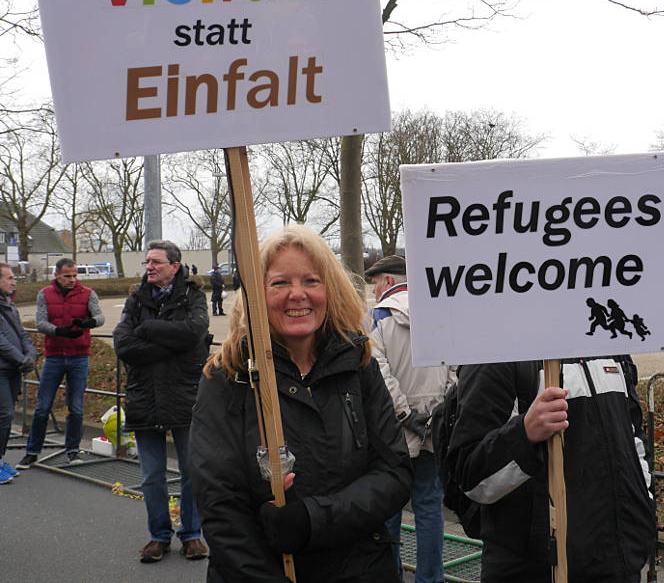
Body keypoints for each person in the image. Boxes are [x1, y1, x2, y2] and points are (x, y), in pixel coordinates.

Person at [190, 224, 412, 583]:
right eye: (280, 283)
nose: (298, 295)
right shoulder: (229, 377)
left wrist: (313, 518)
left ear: (331, 289)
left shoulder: (359, 364)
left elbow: (394, 473)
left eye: (311, 281)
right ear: (257, 294)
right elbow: (219, 505)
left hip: (363, 570)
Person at [449, 356, 655, 582]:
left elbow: (634, 439)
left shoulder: (608, 344)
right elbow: (471, 477)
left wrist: (643, 505)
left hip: (620, 565)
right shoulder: (497, 354)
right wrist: (524, 434)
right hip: (535, 570)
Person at [113, 240, 209, 563]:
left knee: (191, 471)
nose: (149, 267)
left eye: (155, 262)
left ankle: (192, 535)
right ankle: (159, 536)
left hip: (184, 396)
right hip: (145, 396)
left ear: (175, 266)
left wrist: (150, 329)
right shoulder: (136, 299)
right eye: (147, 262)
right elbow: (123, 344)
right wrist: (170, 343)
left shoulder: (192, 296)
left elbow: (195, 335)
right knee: (151, 475)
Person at [366, 254, 455, 583]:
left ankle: (390, 575)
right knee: (429, 506)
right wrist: (439, 411)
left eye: (375, 282)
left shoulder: (377, 318)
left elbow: (379, 374)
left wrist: (405, 414)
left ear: (388, 281)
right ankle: (431, 579)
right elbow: (455, 368)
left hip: (392, 432)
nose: (373, 289)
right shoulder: (439, 313)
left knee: (388, 508)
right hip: (435, 426)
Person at [17, 258, 104, 468]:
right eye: (67, 276)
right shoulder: (45, 294)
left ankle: (72, 450)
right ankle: (32, 451)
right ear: (57, 275)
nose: (72, 280)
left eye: (75, 275)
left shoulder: (88, 293)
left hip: (79, 356)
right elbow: (41, 322)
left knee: (76, 407)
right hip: (54, 355)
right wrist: (58, 331)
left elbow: (100, 316)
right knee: (42, 406)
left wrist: (88, 322)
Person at [0, 263, 36, 483]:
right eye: (10, 278)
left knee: (6, 416)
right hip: (2, 370)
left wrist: (30, 354)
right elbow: (1, 342)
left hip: (13, 369)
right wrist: (20, 358)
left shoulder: (9, 305)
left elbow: (22, 334)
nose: (14, 282)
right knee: (4, 415)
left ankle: (1, 459)